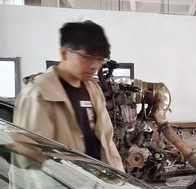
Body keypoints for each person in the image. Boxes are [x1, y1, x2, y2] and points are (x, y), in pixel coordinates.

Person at [14, 20, 123, 171]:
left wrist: (119, 176)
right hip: (61, 184)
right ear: (64, 53)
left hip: (95, 181)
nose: (94, 66)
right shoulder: (38, 95)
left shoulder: (92, 89)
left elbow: (107, 143)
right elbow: (28, 162)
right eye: (87, 57)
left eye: (100, 59)